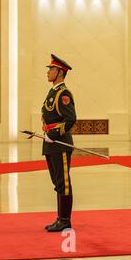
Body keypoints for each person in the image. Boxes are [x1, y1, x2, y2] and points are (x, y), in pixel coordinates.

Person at [42, 54, 77, 232]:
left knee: (63, 182)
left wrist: (54, 134)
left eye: (51, 69)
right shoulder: (52, 92)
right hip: (50, 143)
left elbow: (71, 119)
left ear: (60, 73)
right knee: (57, 182)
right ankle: (60, 219)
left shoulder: (64, 94)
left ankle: (65, 220)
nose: (48, 72)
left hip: (60, 143)